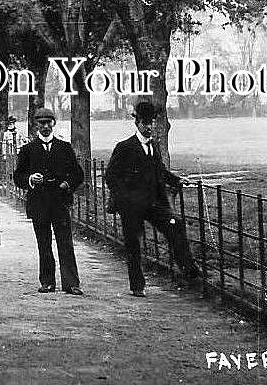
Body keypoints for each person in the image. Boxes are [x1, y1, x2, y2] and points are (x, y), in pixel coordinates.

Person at [105, 101, 202, 297]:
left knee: (175, 225)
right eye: (145, 123)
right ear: (137, 123)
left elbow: (160, 171)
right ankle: (137, 286)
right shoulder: (125, 147)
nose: (149, 127)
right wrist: (125, 199)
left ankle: (189, 271)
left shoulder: (153, 146)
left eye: (151, 123)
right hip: (131, 207)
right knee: (134, 244)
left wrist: (176, 179)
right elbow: (110, 176)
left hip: (153, 203)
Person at [13, 108, 85, 295]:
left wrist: (67, 184)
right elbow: (18, 176)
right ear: (36, 125)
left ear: (54, 123)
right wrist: (30, 179)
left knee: (65, 243)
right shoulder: (28, 150)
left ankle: (71, 283)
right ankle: (47, 282)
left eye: (48, 123)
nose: (45, 126)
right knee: (43, 244)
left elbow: (78, 174)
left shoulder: (64, 147)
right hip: (39, 204)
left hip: (60, 203)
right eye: (41, 123)